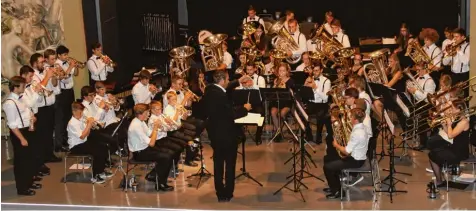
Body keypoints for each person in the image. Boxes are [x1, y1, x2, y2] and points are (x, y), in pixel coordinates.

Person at [202, 70, 251, 202]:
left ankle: (219, 193)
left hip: (214, 134)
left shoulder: (209, 90)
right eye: (228, 79)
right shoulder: (222, 97)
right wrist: (245, 108)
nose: (229, 82)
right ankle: (228, 193)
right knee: (230, 165)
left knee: (218, 164)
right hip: (228, 135)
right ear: (222, 81)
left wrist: (238, 81)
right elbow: (232, 115)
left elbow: (226, 88)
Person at [2, 76, 39, 196]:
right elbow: (12, 125)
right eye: (22, 86)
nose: (25, 87)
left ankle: (29, 181)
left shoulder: (21, 98)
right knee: (21, 162)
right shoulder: (10, 103)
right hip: (19, 133)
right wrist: (22, 139)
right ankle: (22, 188)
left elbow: (26, 113)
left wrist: (32, 118)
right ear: (16, 87)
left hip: (27, 130)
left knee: (29, 159)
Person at [323, 108, 368, 199]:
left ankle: (337, 192)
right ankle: (334, 186)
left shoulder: (357, 133)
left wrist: (336, 145)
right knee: (328, 158)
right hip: (356, 157)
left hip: (355, 160)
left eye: (350, 117)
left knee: (327, 167)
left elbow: (347, 152)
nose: (349, 119)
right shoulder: (360, 127)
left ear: (355, 120)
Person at [128, 103, 175, 191]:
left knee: (170, 153)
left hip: (145, 148)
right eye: (147, 113)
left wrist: (156, 127)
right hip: (140, 153)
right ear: (141, 114)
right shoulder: (136, 125)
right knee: (166, 157)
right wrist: (156, 128)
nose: (149, 114)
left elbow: (150, 134)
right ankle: (160, 184)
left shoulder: (140, 121)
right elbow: (152, 143)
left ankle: (154, 175)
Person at [428, 100, 470, 188]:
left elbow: (450, 136)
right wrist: (444, 125)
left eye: (452, 108)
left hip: (460, 152)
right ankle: (440, 177)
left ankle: (440, 181)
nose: (450, 110)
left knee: (432, 155)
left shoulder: (464, 122)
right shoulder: (458, 118)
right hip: (454, 147)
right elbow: (450, 134)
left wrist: (449, 124)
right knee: (434, 151)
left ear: (459, 110)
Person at [67, 102, 111, 184]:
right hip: (76, 146)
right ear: (74, 112)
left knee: (103, 146)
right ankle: (95, 176)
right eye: (80, 112)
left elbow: (87, 133)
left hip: (83, 142)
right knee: (97, 150)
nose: (82, 114)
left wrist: (92, 125)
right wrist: (89, 124)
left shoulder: (80, 119)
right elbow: (82, 136)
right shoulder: (72, 123)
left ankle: (101, 171)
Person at [31, 52, 62, 162]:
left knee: (50, 131)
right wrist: (48, 76)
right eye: (41, 62)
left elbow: (53, 85)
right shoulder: (33, 76)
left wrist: (54, 76)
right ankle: (42, 156)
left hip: (50, 105)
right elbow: (39, 87)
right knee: (42, 133)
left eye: (44, 61)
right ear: (35, 64)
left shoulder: (45, 71)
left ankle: (49, 153)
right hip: (40, 108)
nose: (43, 64)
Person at [55, 45, 79, 151]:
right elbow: (64, 79)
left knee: (70, 114)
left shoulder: (67, 63)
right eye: (64, 55)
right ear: (59, 55)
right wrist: (70, 67)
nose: (66, 57)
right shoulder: (57, 65)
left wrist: (76, 66)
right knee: (64, 117)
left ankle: (70, 138)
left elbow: (76, 74)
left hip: (70, 91)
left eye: (67, 54)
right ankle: (63, 141)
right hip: (63, 93)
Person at [237, 62, 265, 145]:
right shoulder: (242, 78)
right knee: (236, 112)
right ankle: (240, 136)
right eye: (247, 70)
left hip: (256, 103)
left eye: (251, 69)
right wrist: (243, 85)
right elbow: (238, 91)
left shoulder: (260, 79)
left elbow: (261, 93)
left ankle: (258, 136)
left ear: (255, 69)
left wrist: (252, 83)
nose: (249, 72)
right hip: (244, 103)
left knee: (261, 113)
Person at [304, 62, 331, 145]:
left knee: (320, 115)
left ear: (321, 70)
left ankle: (318, 137)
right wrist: (305, 84)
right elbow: (303, 93)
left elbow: (326, 98)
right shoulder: (309, 78)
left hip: (322, 104)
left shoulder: (327, 81)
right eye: (314, 71)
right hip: (311, 103)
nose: (315, 72)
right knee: (301, 114)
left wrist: (315, 88)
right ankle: (309, 135)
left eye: (317, 70)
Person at [270, 63, 295, 141]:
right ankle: (279, 132)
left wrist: (285, 86)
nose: (282, 72)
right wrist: (274, 86)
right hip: (278, 101)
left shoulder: (290, 81)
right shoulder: (276, 80)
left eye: (283, 71)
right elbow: (272, 93)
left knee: (282, 113)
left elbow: (292, 94)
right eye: (280, 71)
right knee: (273, 112)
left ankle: (278, 132)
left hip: (287, 101)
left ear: (287, 72)